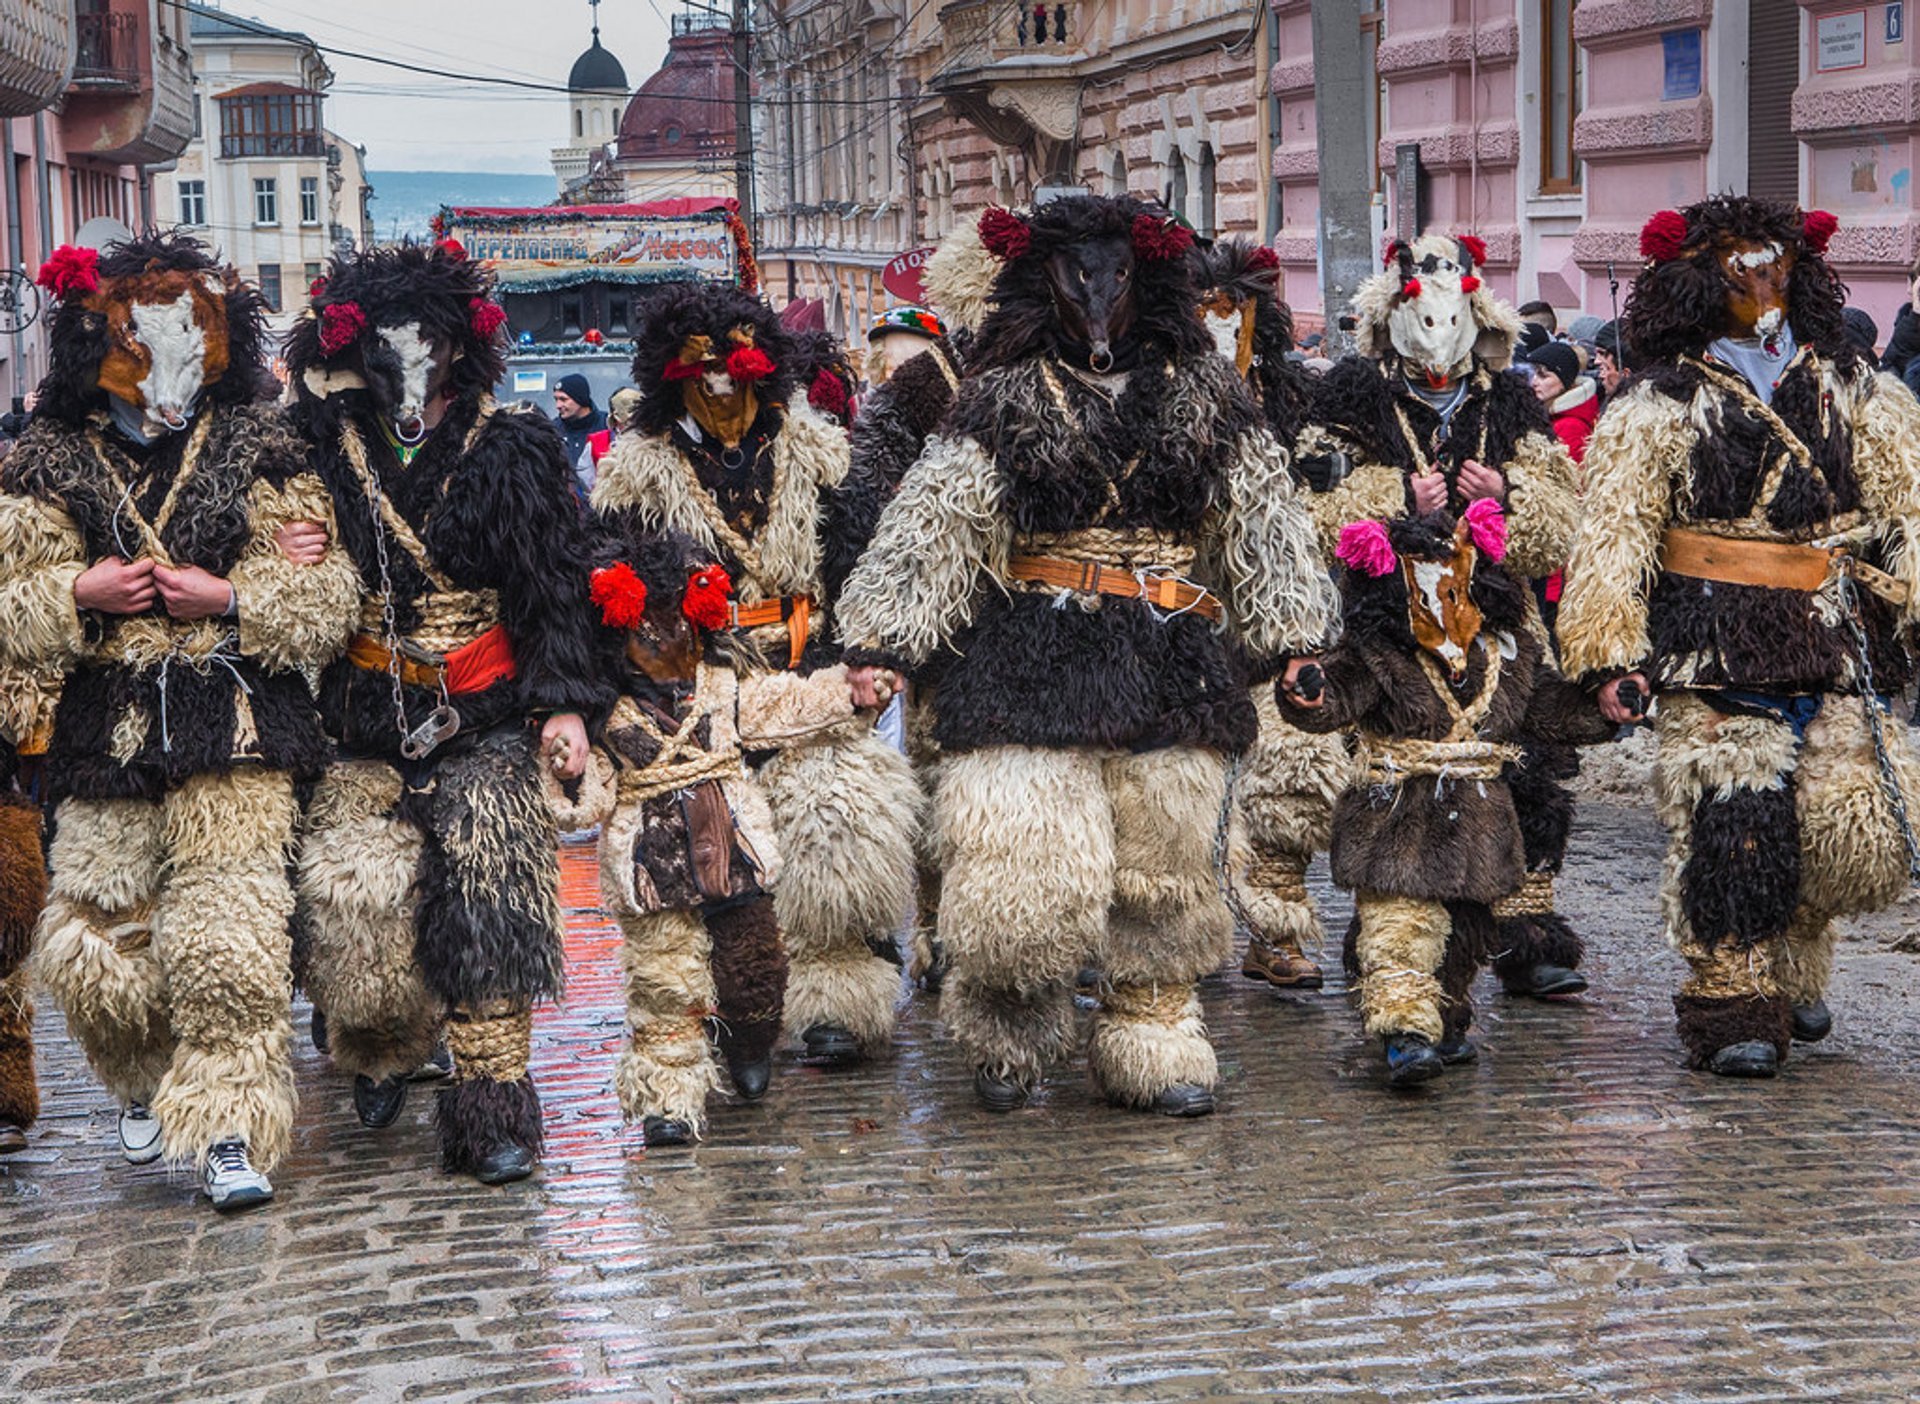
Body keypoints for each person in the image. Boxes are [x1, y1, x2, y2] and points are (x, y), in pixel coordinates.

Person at [837, 195, 1336, 1117]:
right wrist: (883, 644)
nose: (1098, 299)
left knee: (1165, 863)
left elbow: (1264, 518)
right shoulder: (1000, 397)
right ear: (1045, 284)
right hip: (1030, 652)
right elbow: (935, 524)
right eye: (1080, 279)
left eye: (1117, 279)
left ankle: (1151, 1025)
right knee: (1024, 864)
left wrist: (1294, 641)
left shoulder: (1208, 394)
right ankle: (1006, 1029)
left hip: (1167, 655)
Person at [0, 234, 361, 1209]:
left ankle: (230, 1131)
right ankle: (143, 1075)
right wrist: (78, 588)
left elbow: (323, 593)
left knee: (226, 942)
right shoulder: (48, 458)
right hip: (104, 735)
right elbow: (8, 595)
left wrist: (229, 598)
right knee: (91, 950)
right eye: (139, 336)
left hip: (233, 729)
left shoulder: (265, 445)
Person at [1559, 196, 1920, 1078]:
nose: (1762, 288)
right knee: (1735, 822)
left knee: (1851, 826)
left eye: (1776, 268)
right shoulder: (1657, 402)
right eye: (1739, 271)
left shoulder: (1856, 386)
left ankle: (1794, 961)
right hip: (1710, 641)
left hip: (1832, 637)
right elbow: (1615, 533)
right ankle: (1731, 998)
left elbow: (1908, 502)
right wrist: (1610, 655)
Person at [290, 240, 608, 1184]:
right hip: (361, 711)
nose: (408, 361)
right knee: (358, 905)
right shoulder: (316, 449)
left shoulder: (512, 445)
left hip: (484, 708)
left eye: (424, 340)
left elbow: (551, 586)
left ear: (456, 343)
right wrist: (289, 541)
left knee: (491, 899)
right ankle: (379, 1039)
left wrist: (564, 705)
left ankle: (493, 1111)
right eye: (388, 343)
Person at [592, 281, 920, 1071]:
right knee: (710, 855)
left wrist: (874, 652)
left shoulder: (817, 451)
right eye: (699, 370)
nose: (717, 386)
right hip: (698, 693)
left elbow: (867, 557)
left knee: (833, 818)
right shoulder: (639, 470)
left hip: (809, 666)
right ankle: (717, 1011)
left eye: (732, 368)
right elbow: (604, 573)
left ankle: (836, 990)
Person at [1293, 231, 1593, 1005]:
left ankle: (1525, 928)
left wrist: (1507, 496)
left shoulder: (1510, 401)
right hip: (1391, 619)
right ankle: (1396, 946)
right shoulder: (1350, 397)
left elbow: (1561, 513)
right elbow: (1311, 501)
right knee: (1402, 773)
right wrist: (1397, 503)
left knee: (1529, 762)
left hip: (1496, 613)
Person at [1279, 505, 1611, 1083]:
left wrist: (1601, 706)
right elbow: (1339, 693)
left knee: (1464, 937)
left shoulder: (1506, 653)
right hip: (1396, 824)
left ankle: (1444, 1017)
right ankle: (1403, 1031)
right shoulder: (1377, 654)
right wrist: (1309, 694)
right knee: (1400, 928)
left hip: (1480, 828)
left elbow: (1549, 707)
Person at [822, 213, 997, 993]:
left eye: (913, 359)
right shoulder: (895, 413)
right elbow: (863, 512)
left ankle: (989, 926)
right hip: (925, 632)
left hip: (1001, 618)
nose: (901, 372)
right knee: (928, 777)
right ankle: (932, 928)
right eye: (891, 362)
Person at [1193, 237, 1345, 992]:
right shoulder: (1157, 390)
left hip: (1271, 615)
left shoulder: (1292, 395)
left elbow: (1337, 486)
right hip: (1178, 614)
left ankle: (1275, 932)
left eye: (1237, 310)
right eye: (1207, 310)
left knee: (1288, 778)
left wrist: (1326, 477)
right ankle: (1172, 937)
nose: (1224, 325)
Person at [1527, 340, 1599, 464]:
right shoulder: (1550, 415)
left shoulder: (1570, 427)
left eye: (1543, 376)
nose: (1533, 382)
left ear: (1564, 381)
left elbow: (1567, 479)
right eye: (1533, 374)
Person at [552, 373, 606, 483]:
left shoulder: (606, 425)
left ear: (580, 399)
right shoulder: (552, 430)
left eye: (563, 399)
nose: (558, 405)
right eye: (556, 399)